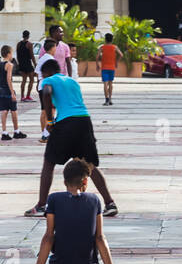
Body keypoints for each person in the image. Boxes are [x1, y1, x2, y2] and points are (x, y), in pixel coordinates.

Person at [25, 58, 120, 219]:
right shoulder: (72, 81)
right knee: (88, 164)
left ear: (46, 72)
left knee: (49, 162)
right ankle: (110, 203)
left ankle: (41, 205)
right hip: (84, 121)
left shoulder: (47, 80)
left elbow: (47, 92)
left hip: (65, 122)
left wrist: (49, 120)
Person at [22, 159, 128, 264]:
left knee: (39, 247)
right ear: (85, 181)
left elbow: (49, 237)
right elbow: (99, 237)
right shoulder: (94, 200)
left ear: (64, 182)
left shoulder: (53, 199)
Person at [0, 44, 25, 140]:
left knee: (4, 111)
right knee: (14, 110)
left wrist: (2, 86)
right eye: (12, 53)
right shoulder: (9, 64)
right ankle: (16, 131)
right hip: (8, 91)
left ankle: (4, 132)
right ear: (8, 54)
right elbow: (9, 79)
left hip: (0, 91)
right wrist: (12, 92)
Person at [36, 38, 56, 142]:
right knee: (51, 111)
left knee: (44, 111)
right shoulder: (51, 60)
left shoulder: (42, 58)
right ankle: (47, 133)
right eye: (55, 47)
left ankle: (44, 133)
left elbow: (37, 73)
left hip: (41, 86)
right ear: (52, 48)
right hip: (48, 87)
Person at [99, 33, 123, 106]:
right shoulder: (115, 47)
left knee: (105, 84)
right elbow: (121, 55)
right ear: (112, 39)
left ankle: (106, 100)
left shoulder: (102, 47)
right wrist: (116, 62)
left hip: (104, 68)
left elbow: (97, 57)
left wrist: (97, 63)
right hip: (112, 67)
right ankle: (110, 99)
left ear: (105, 39)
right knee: (110, 83)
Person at [16, 31, 37, 102]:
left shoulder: (18, 44)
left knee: (23, 80)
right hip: (27, 63)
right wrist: (35, 64)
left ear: (22, 35)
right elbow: (32, 55)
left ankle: (22, 96)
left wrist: (19, 64)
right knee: (31, 80)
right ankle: (28, 96)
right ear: (28, 36)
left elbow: (17, 55)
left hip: (21, 64)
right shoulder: (29, 44)